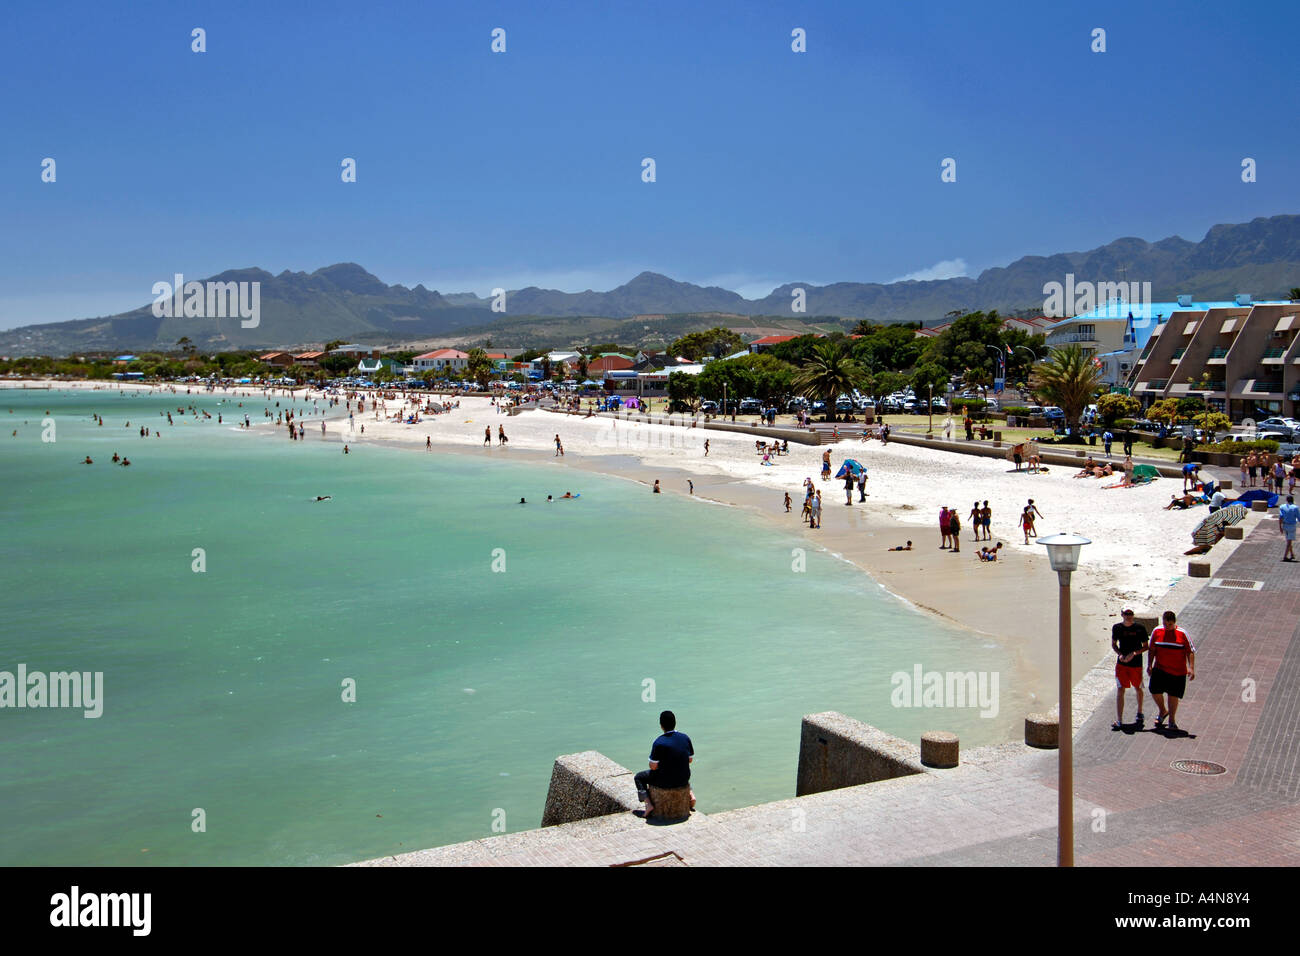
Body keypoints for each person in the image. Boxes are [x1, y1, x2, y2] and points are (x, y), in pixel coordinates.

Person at [633, 710, 694, 818]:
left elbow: (653, 766)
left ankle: (648, 805)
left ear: (661, 726)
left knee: (639, 777)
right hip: (683, 779)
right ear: (675, 722)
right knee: (681, 767)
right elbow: (690, 760)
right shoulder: (685, 738)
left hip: (665, 781)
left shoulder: (659, 742)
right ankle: (691, 794)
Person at [1148, 611, 1196, 732]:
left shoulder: (1182, 633)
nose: (1167, 627)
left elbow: (1190, 651)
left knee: (1173, 695)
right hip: (1160, 668)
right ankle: (1163, 711)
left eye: (1169, 624)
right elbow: (1152, 649)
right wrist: (1149, 665)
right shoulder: (1157, 631)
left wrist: (1191, 668)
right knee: (1154, 690)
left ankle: (1172, 720)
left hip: (1178, 672)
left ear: (1174, 622)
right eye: (1165, 624)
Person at [1111, 609, 1148, 730]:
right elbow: (1114, 644)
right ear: (1122, 615)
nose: (1128, 616)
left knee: (1138, 688)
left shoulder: (1140, 628)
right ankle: (1119, 719)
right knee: (1120, 689)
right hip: (1122, 664)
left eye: (1130, 614)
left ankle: (1140, 711)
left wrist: (1134, 653)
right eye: (1126, 614)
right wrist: (1120, 654)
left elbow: (1146, 647)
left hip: (1136, 664)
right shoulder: (1117, 628)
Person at [1279, 494, 1300, 561]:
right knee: (1289, 542)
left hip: (1285, 525)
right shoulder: (1295, 508)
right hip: (1292, 526)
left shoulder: (1282, 507)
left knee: (1288, 540)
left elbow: (1280, 517)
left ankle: (1292, 554)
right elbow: (1299, 518)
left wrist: (1280, 527)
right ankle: (1285, 556)